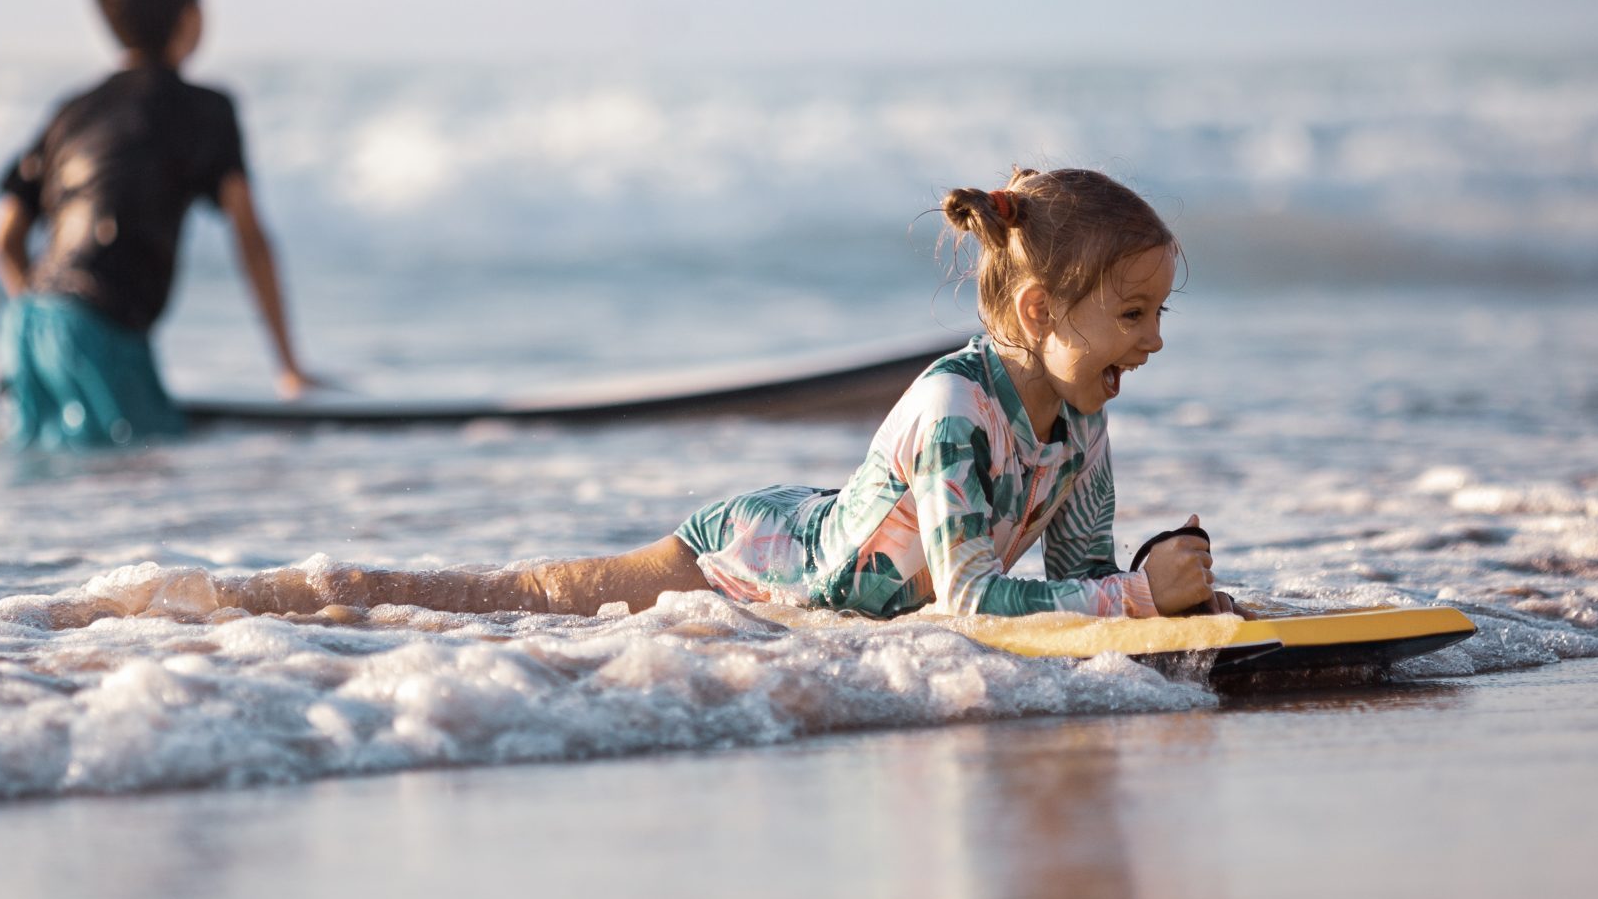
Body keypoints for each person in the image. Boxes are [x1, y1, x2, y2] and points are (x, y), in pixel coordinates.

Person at [210, 167, 1224, 619]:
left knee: (529, 599)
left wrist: (1155, 588)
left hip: (824, 546)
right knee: (521, 600)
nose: (1155, 340)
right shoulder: (958, 405)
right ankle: (302, 596)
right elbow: (969, 601)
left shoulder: (1082, 424)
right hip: (750, 557)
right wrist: (1133, 598)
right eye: (1133, 314)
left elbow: (1076, 573)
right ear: (1043, 308)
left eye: (1159, 313)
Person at [0, 0, 314, 450]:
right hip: (102, 330)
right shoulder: (207, 110)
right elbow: (250, 237)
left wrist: (45, 322)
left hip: (26, 327)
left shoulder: (71, 113)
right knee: (140, 480)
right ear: (193, 17)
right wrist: (291, 368)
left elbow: (3, 240)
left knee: (55, 484)